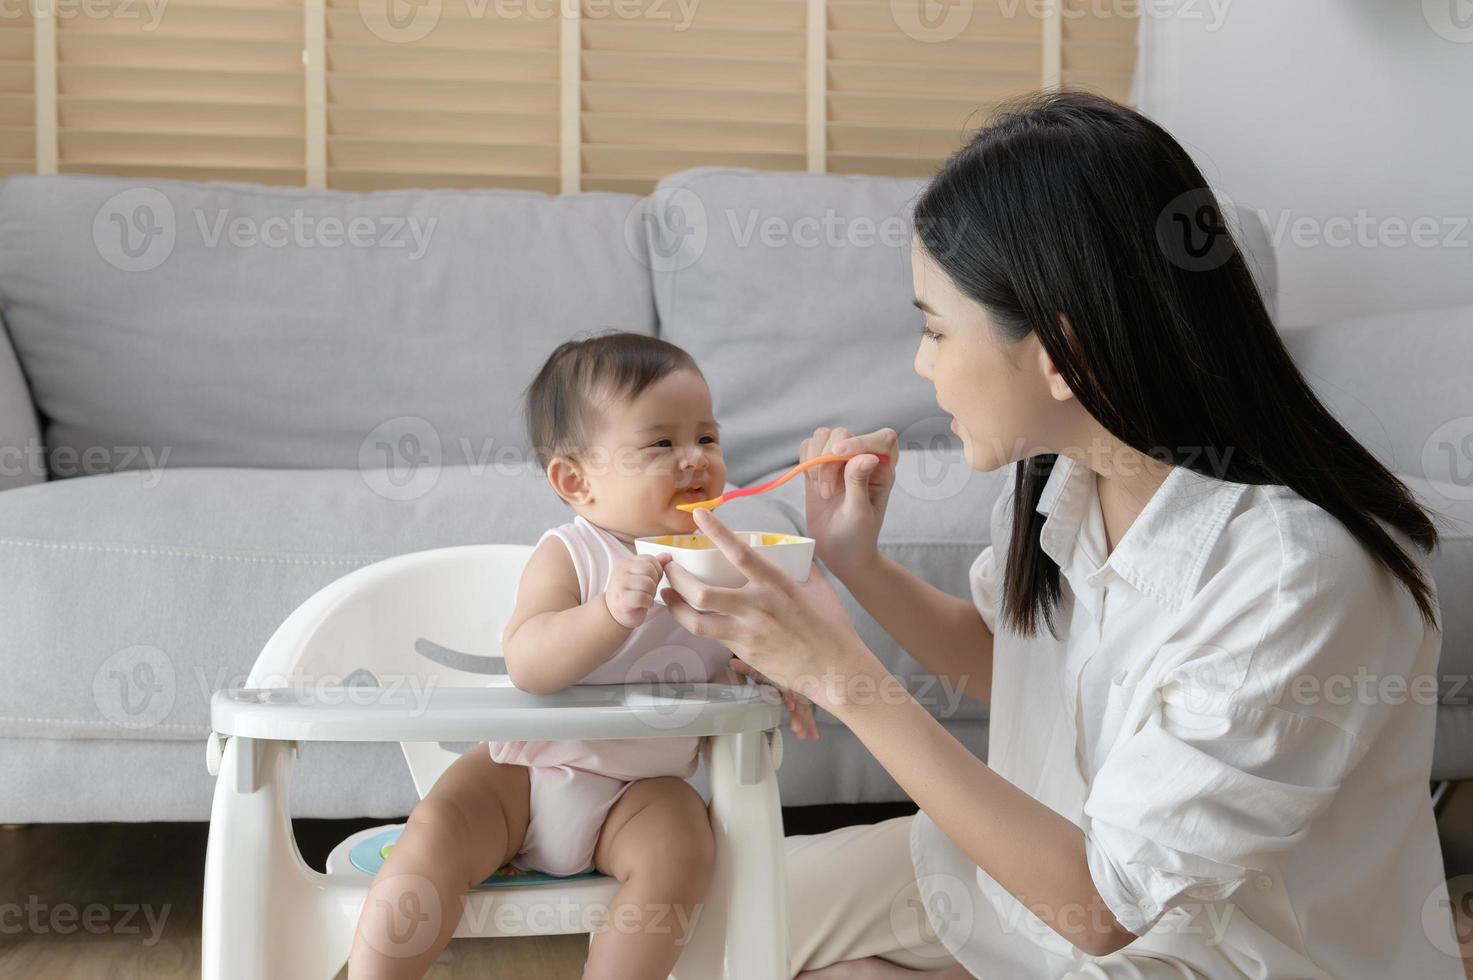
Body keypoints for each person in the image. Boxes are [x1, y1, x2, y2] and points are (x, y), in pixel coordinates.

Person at [660, 91, 1462, 979]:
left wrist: (840, 677)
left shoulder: (1293, 576)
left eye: (933, 328)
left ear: (1062, 352)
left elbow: (1105, 906)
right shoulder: (1063, 470)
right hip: (1024, 888)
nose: (921, 364)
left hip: (1196, 952)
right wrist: (857, 564)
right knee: (704, 928)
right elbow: (1018, 666)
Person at [347, 332, 816, 979]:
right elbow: (528, 662)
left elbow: (729, 668)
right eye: (661, 443)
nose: (694, 459)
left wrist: (762, 675)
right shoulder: (573, 553)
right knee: (434, 835)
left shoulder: (721, 566)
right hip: (524, 774)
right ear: (577, 482)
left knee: (683, 852)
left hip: (638, 793)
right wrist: (604, 614)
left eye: (706, 439)